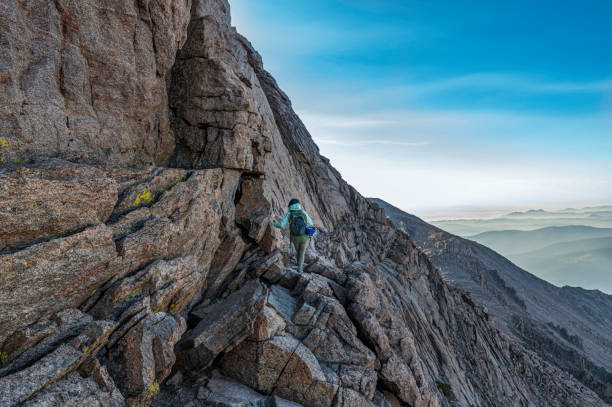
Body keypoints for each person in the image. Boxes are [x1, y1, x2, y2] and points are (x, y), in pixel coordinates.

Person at [273, 198, 314, 273]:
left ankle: (299, 267)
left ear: (290, 206)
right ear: (298, 205)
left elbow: (282, 225)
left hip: (295, 237)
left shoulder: (289, 213)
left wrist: (274, 224)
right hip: (304, 237)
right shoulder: (303, 212)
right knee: (302, 252)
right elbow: (311, 224)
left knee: (297, 252)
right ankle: (300, 269)